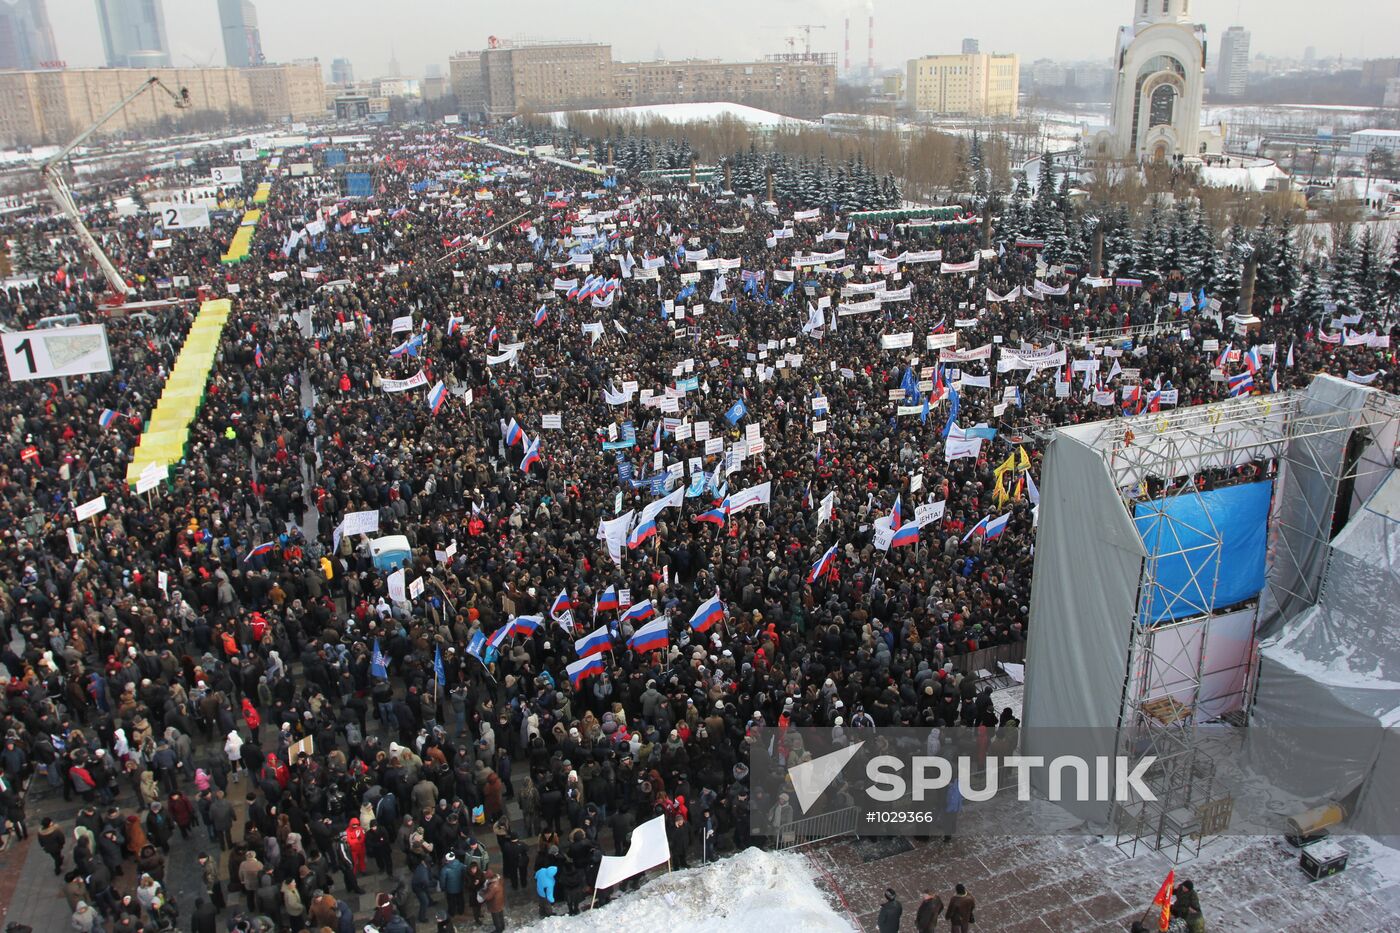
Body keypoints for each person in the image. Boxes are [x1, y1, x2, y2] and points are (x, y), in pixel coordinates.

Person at [481, 867, 506, 932]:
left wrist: (482, 895)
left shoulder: (493, 886)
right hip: (500, 901)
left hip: (495, 904)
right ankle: (502, 926)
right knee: (500, 914)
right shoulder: (499, 878)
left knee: (496, 918)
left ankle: (498, 930)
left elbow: (489, 896)